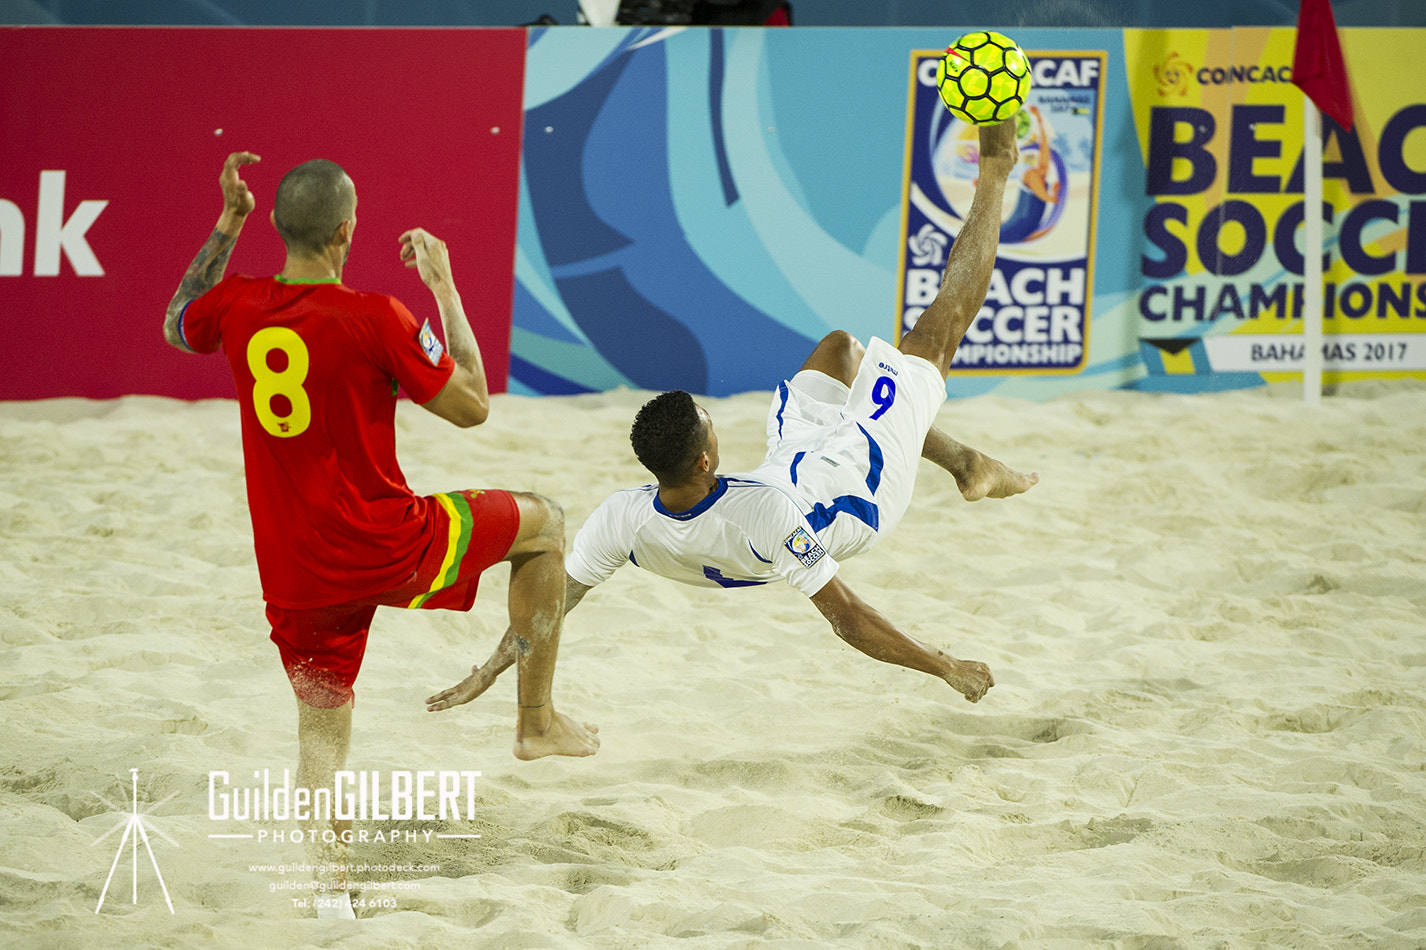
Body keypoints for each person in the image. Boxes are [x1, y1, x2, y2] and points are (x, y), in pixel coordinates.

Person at [426, 118, 1036, 717]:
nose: (713, 420)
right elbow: (850, 621)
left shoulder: (623, 516)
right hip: (856, 489)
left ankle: (966, 461)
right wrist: (946, 667)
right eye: (708, 421)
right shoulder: (766, 517)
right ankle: (996, 169)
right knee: (934, 333)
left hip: (790, 464)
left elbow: (549, 606)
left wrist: (485, 672)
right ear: (704, 458)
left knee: (840, 350)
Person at [162, 152, 598, 918]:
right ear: (345, 230)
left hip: (296, 573)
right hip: (390, 543)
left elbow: (176, 322)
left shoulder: (235, 306)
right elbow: (472, 406)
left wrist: (226, 219)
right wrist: (446, 289)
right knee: (547, 524)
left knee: (322, 739)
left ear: (274, 225)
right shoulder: (376, 317)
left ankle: (329, 896)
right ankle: (535, 722)